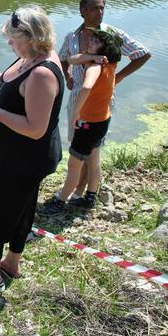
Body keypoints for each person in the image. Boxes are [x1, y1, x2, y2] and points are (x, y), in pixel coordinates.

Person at [0, 5, 64, 291]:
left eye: (13, 38)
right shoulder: (29, 59)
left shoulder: (43, 73)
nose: (9, 43)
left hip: (25, 158)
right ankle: (12, 263)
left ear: (32, 38)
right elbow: (14, 90)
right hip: (18, 154)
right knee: (22, 208)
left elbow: (35, 128)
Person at [56, 0, 151, 203]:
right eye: (94, 8)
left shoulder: (110, 36)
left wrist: (119, 77)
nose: (100, 12)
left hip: (97, 106)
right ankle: (84, 192)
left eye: (102, 7)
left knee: (84, 151)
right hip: (77, 100)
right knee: (83, 149)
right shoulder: (72, 37)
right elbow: (65, 57)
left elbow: (142, 53)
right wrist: (67, 76)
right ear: (83, 11)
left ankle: (76, 193)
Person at [40, 27, 122, 216]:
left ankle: (60, 202)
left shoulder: (95, 67)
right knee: (94, 160)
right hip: (103, 120)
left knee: (74, 165)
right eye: (91, 39)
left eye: (96, 42)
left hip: (87, 123)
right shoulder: (110, 64)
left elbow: (86, 87)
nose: (91, 42)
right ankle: (90, 198)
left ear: (105, 50)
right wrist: (91, 56)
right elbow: (71, 60)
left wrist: (76, 112)